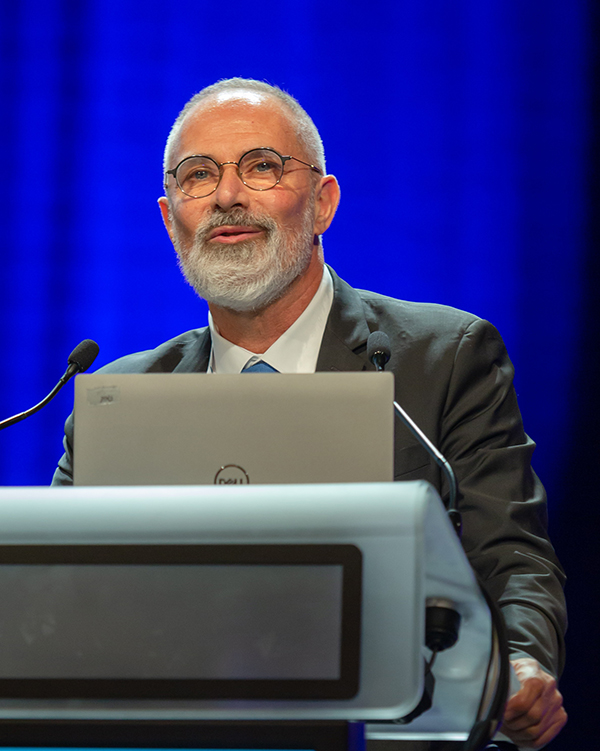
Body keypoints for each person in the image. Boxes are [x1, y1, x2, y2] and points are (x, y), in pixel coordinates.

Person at [52, 78, 567, 749]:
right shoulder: (118, 397)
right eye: (198, 176)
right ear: (168, 215)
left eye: (262, 166)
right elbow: (54, 592)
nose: (228, 196)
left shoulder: (443, 358)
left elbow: (511, 554)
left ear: (323, 203)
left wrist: (523, 662)